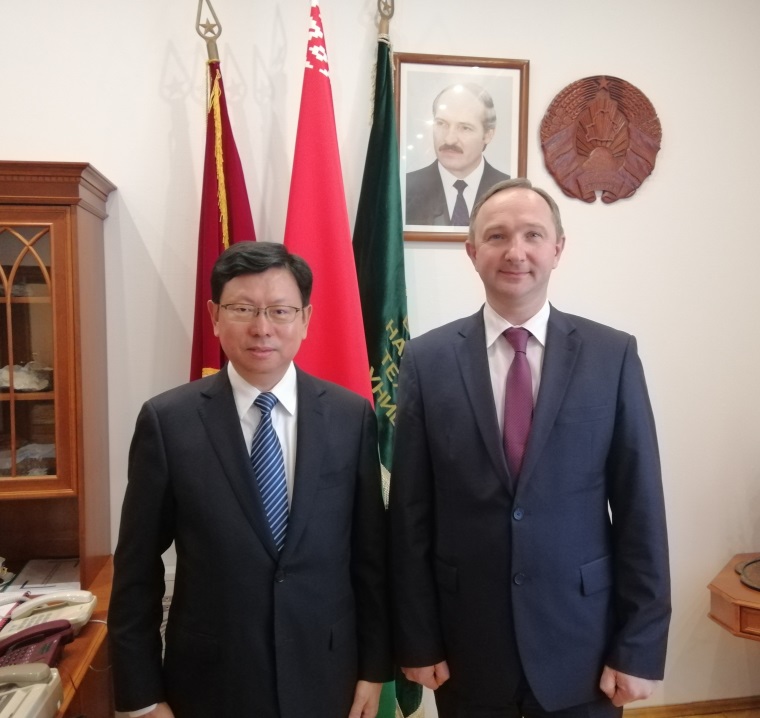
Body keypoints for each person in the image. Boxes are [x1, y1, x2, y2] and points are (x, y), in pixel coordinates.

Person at [389, 178, 670, 717]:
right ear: (472, 251)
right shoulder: (426, 361)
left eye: (533, 235)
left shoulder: (611, 355)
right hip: (467, 644)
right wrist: (417, 638)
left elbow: (641, 510)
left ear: (557, 248)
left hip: (583, 645)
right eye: (496, 236)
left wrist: (640, 645)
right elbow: (410, 515)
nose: (515, 252)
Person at [109, 241, 392, 718]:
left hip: (328, 677)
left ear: (306, 319)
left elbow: (370, 557)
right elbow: (137, 568)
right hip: (209, 684)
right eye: (242, 309)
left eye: (280, 310)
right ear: (214, 316)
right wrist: (142, 699)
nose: (262, 328)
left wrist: (374, 668)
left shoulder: (351, 417)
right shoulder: (168, 422)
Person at [405, 82, 510, 227]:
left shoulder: (508, 190)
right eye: (441, 124)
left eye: (465, 128)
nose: (449, 139)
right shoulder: (405, 188)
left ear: (488, 135)